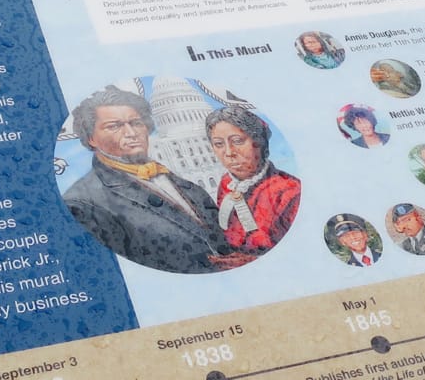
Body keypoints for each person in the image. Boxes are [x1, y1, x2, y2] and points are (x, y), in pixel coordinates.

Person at [62, 86, 231, 274]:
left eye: (136, 123)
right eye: (114, 126)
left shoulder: (187, 186)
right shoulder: (82, 203)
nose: (131, 133)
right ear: (91, 138)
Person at [205, 106, 301, 257]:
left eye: (237, 141)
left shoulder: (289, 190)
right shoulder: (227, 183)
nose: (229, 153)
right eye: (218, 144)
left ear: (259, 142)